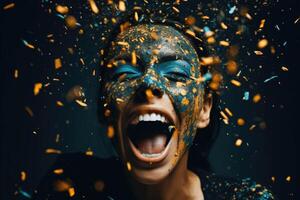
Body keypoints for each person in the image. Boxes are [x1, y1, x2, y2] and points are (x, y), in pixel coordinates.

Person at [33, 10, 275, 200]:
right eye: (125, 73)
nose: (148, 83)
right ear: (106, 109)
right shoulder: (68, 186)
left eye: (176, 74)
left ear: (204, 109)